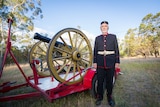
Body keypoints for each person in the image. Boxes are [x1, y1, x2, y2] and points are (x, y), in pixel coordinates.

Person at [93, 21, 120, 107]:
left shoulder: (113, 37)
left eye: (105, 26)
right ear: (100, 28)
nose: (104, 27)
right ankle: (99, 97)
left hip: (110, 62)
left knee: (109, 82)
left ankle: (109, 97)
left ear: (108, 27)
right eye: (102, 26)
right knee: (100, 81)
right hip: (100, 63)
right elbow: (95, 51)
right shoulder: (97, 38)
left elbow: (116, 49)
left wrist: (117, 62)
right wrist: (95, 62)